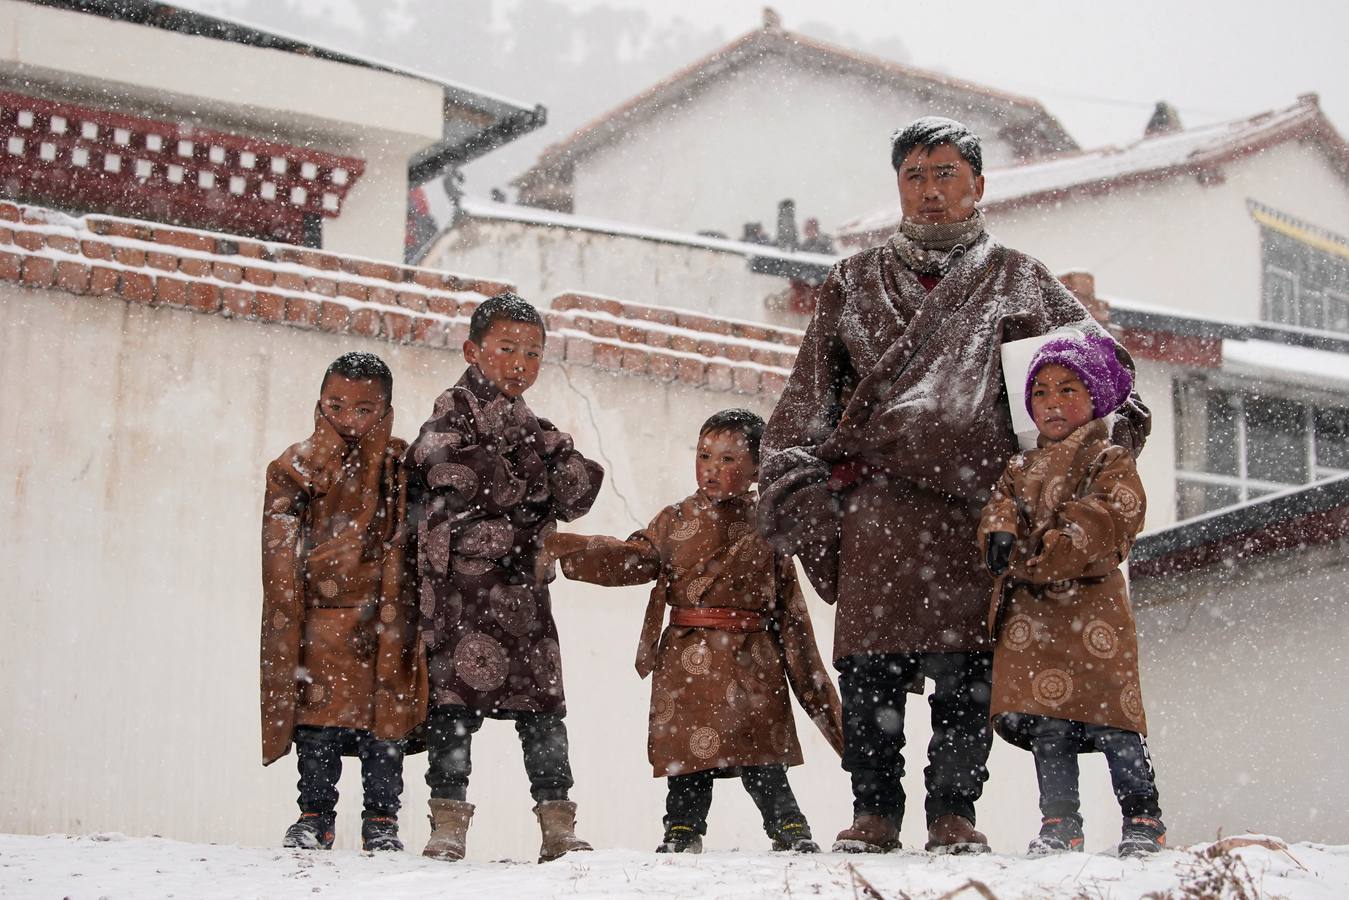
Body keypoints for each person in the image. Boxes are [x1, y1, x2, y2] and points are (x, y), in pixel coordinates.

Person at [757, 116, 1151, 854]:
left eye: (945, 174)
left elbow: (1109, 385)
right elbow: (806, 402)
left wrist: (1069, 466)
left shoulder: (1020, 279)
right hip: (876, 508)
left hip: (981, 512)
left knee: (965, 674)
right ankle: (873, 812)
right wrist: (804, 490)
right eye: (914, 175)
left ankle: (951, 814)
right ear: (897, 185)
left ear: (977, 185)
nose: (930, 191)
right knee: (870, 670)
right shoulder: (851, 279)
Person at [540, 409, 845, 854]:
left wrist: (819, 696)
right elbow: (634, 559)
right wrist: (567, 546)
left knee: (761, 754)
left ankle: (789, 826)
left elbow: (792, 615)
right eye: (704, 455)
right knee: (687, 757)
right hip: (687, 662)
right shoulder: (673, 519)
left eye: (727, 459)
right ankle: (682, 829)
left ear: (757, 467)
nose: (711, 469)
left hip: (753, 659)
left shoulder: (769, 523)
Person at [406, 293, 604, 864]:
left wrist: (529, 475)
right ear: (473, 350)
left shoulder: (534, 428)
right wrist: (527, 479)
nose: (521, 363)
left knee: (543, 713)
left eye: (534, 354)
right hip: (461, 596)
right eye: (508, 349)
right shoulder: (451, 412)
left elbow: (577, 490)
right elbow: (444, 468)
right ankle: (447, 827)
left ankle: (558, 827)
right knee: (453, 712)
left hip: (523, 596)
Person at [980, 332, 1165, 857]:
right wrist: (999, 534)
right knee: (1047, 722)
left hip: (1092, 609)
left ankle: (1143, 818)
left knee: (1114, 720)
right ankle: (1060, 822)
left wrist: (1058, 548)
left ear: (1096, 397)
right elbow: (1001, 506)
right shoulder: (1018, 466)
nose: (1052, 402)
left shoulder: (1109, 458)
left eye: (1067, 389)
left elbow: (1114, 513)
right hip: (1033, 618)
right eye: (1040, 392)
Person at [260, 351, 428, 852]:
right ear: (320, 403)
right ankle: (314, 816)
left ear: (387, 411)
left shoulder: (404, 464)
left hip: (388, 616)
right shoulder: (294, 466)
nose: (349, 419)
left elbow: (423, 529)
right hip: (320, 619)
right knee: (317, 726)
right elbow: (279, 544)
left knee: (386, 726)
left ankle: (382, 821)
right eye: (337, 405)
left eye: (364, 409)